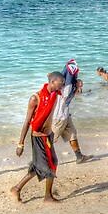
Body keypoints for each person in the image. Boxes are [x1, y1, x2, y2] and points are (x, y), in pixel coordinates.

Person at [10, 71, 65, 203]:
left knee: (50, 164)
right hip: (38, 137)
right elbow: (27, 122)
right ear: (52, 82)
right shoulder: (35, 98)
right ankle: (42, 195)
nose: (62, 86)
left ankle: (41, 194)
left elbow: (63, 78)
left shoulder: (55, 94)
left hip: (48, 135)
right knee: (45, 166)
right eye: (60, 83)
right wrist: (20, 144)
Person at [50, 59, 90, 164]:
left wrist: (76, 86)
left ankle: (79, 156)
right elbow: (67, 93)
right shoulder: (63, 87)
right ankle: (43, 159)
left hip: (65, 115)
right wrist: (74, 84)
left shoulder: (65, 85)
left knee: (72, 134)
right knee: (51, 139)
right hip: (58, 117)